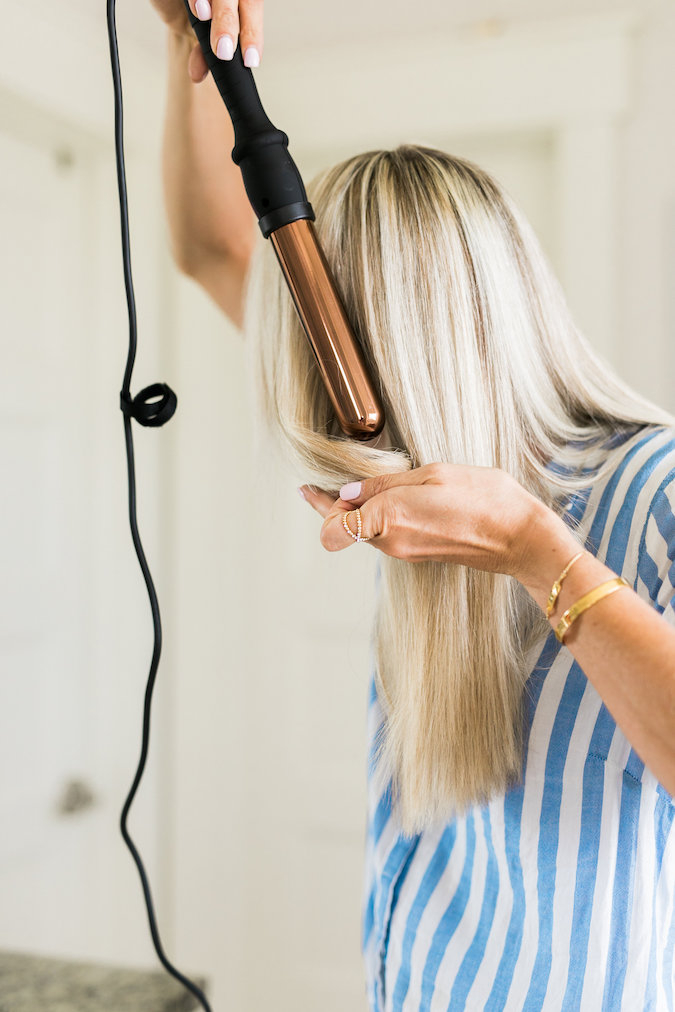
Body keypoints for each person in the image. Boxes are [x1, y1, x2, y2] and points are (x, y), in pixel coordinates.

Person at [150, 3, 675, 1008]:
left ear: (420, 344)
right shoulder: (412, 463)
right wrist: (194, 55)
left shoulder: (651, 488)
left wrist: (535, 551)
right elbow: (215, 250)